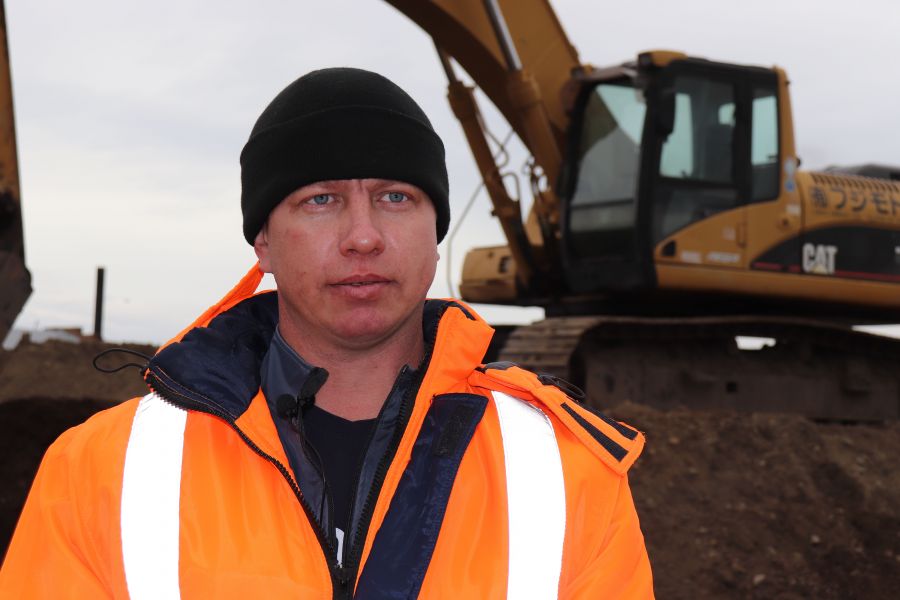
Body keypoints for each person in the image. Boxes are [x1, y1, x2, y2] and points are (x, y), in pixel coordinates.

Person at [0, 68, 653, 598]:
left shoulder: (568, 477)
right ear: (262, 241)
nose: (363, 236)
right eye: (321, 200)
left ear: (436, 233)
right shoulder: (100, 473)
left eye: (396, 197)